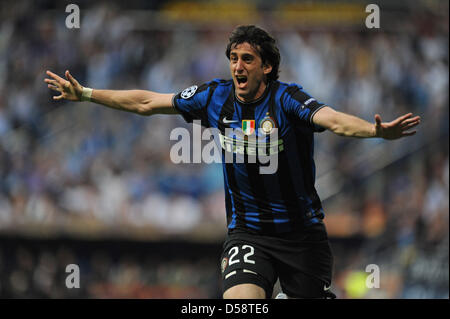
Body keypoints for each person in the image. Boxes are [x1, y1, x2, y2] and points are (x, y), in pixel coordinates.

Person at [44, 25, 420, 299]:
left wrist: (377, 133)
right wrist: (89, 94)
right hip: (248, 233)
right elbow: (148, 102)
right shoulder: (213, 97)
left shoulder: (288, 100)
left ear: (266, 67)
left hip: (302, 237)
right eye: (233, 59)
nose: (237, 66)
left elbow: (335, 120)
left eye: (247, 59)